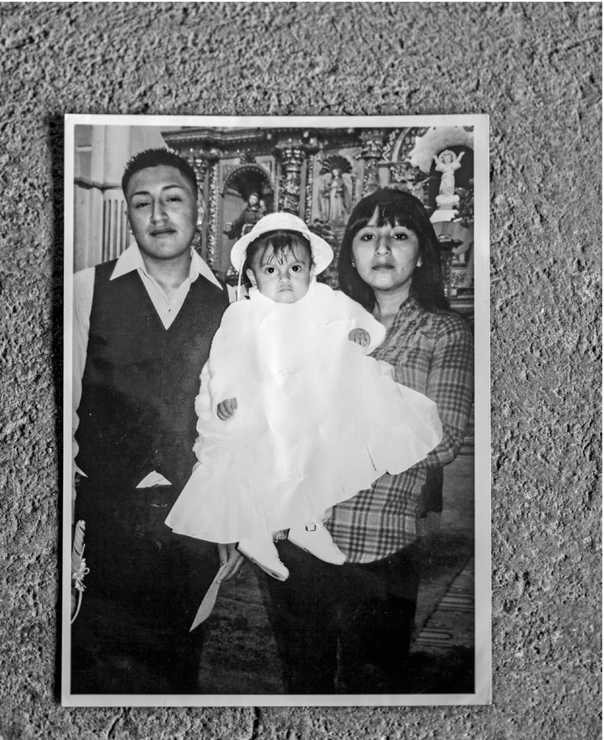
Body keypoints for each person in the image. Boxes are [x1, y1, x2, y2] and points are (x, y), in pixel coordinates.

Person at [264, 188, 474, 694]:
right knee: (302, 684)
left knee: (373, 691)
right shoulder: (324, 322)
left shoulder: (443, 332)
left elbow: (442, 441)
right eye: (367, 236)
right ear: (351, 253)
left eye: (398, 236)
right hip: (296, 540)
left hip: (379, 546)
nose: (382, 248)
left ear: (420, 251)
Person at [164, 212, 442, 582]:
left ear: (312, 272)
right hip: (257, 401)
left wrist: (360, 333)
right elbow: (225, 357)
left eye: (295, 268)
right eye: (271, 271)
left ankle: (306, 524)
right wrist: (227, 392)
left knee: (318, 459)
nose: (285, 279)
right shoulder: (244, 313)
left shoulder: (325, 299)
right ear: (251, 277)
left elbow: (357, 318)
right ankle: (255, 532)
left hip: (308, 404)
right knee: (256, 463)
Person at [71, 148, 242, 695]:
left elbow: (238, 424)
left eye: (173, 200)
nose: (158, 215)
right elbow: (61, 414)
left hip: (192, 525)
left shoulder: (233, 304)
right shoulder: (85, 289)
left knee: (178, 672)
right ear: (128, 215)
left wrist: (230, 522)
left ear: (198, 208)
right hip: (103, 521)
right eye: (142, 203)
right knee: (96, 671)